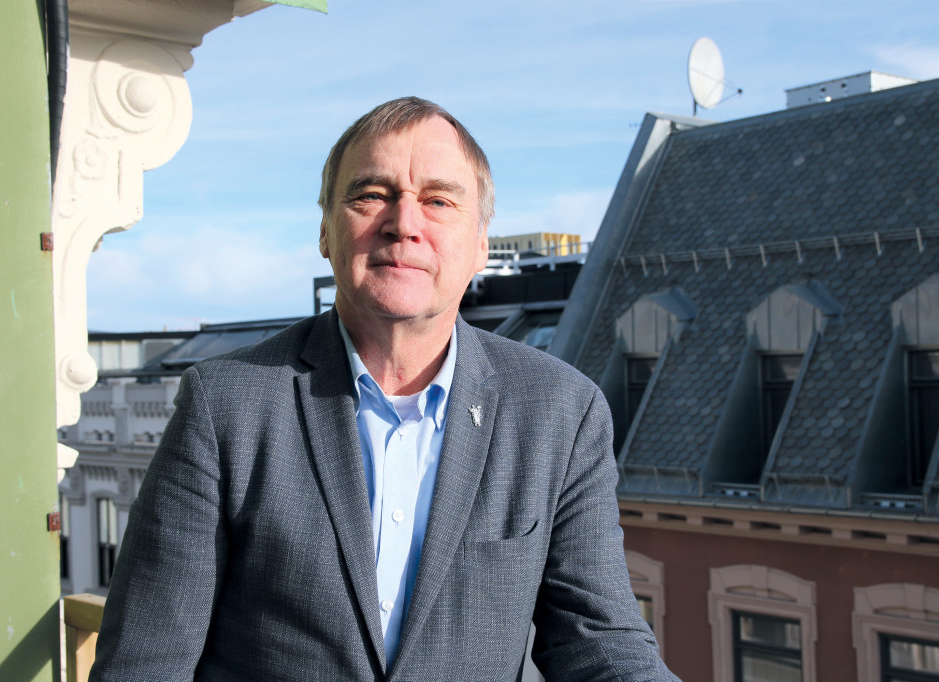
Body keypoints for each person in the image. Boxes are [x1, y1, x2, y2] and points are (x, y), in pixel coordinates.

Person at [90, 97, 677, 681]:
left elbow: (600, 643)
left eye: (438, 201)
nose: (404, 224)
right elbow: (145, 663)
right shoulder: (226, 406)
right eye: (371, 195)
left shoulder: (560, 412)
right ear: (326, 232)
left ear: (481, 245)